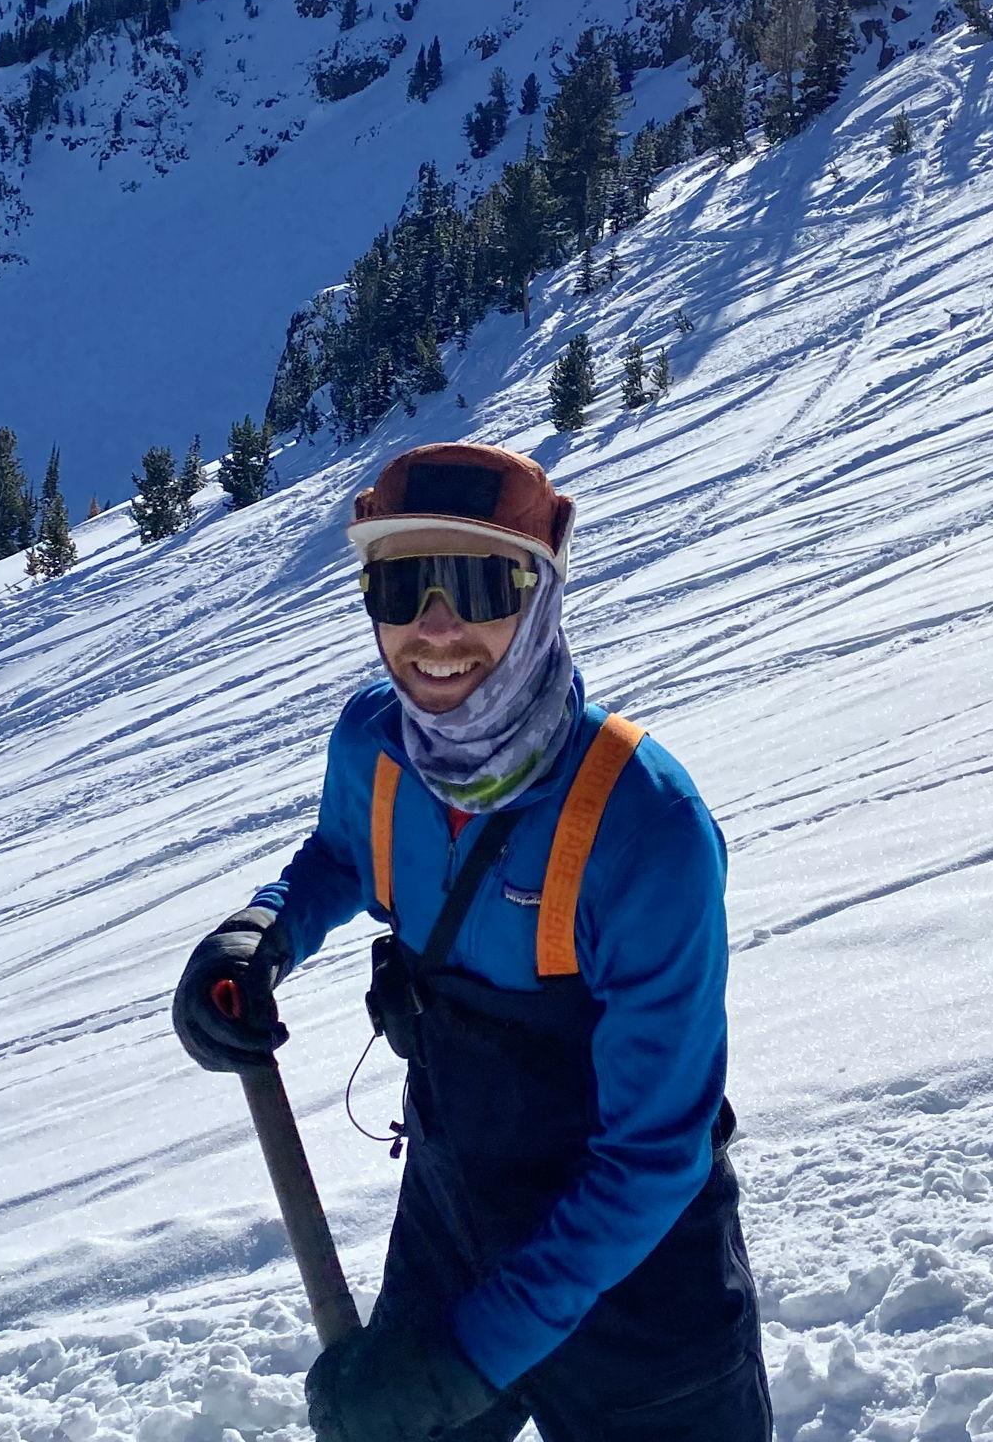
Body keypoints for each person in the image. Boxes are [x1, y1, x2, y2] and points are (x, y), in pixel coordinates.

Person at [172, 442, 768, 1442]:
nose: (434, 627)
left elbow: (651, 1155)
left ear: (539, 596)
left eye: (482, 581)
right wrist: (263, 932)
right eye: (400, 584)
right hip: (456, 1213)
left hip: (638, 1277)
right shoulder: (374, 742)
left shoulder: (642, 824)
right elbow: (339, 854)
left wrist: (462, 1363)